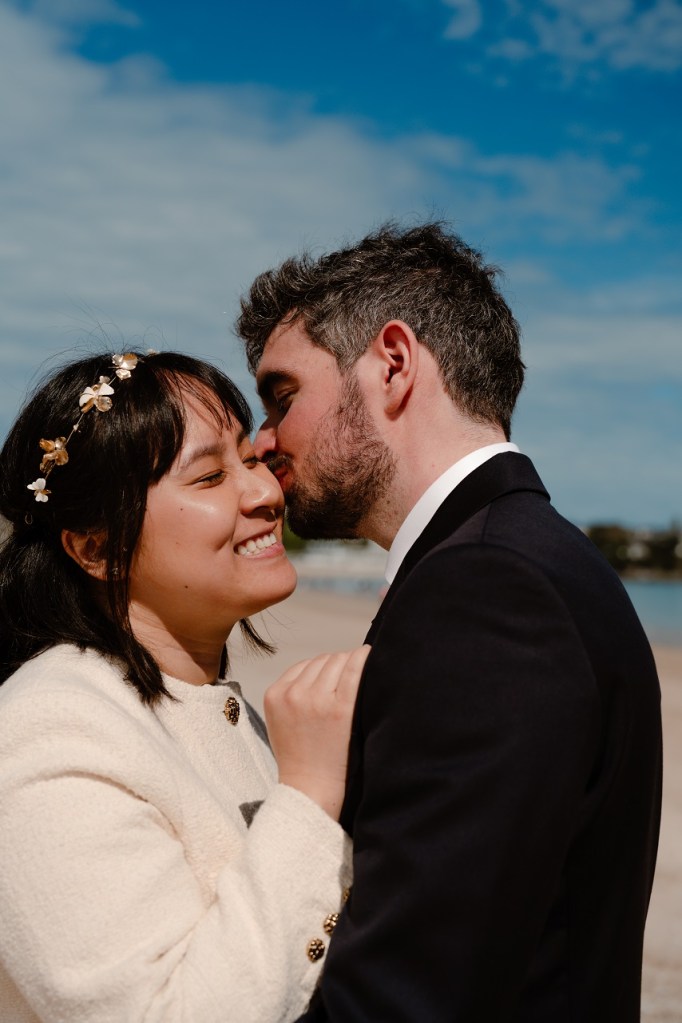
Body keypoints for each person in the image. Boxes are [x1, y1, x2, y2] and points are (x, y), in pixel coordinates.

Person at [236, 222, 663, 1022]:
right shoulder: (536, 556)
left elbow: (407, 996)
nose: (263, 443)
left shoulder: (487, 588)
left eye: (281, 397)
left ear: (393, 364)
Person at [0, 349, 369, 1023]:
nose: (265, 493)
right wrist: (309, 792)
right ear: (95, 547)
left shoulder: (216, 706)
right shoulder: (49, 732)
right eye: (209, 476)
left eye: (250, 458)